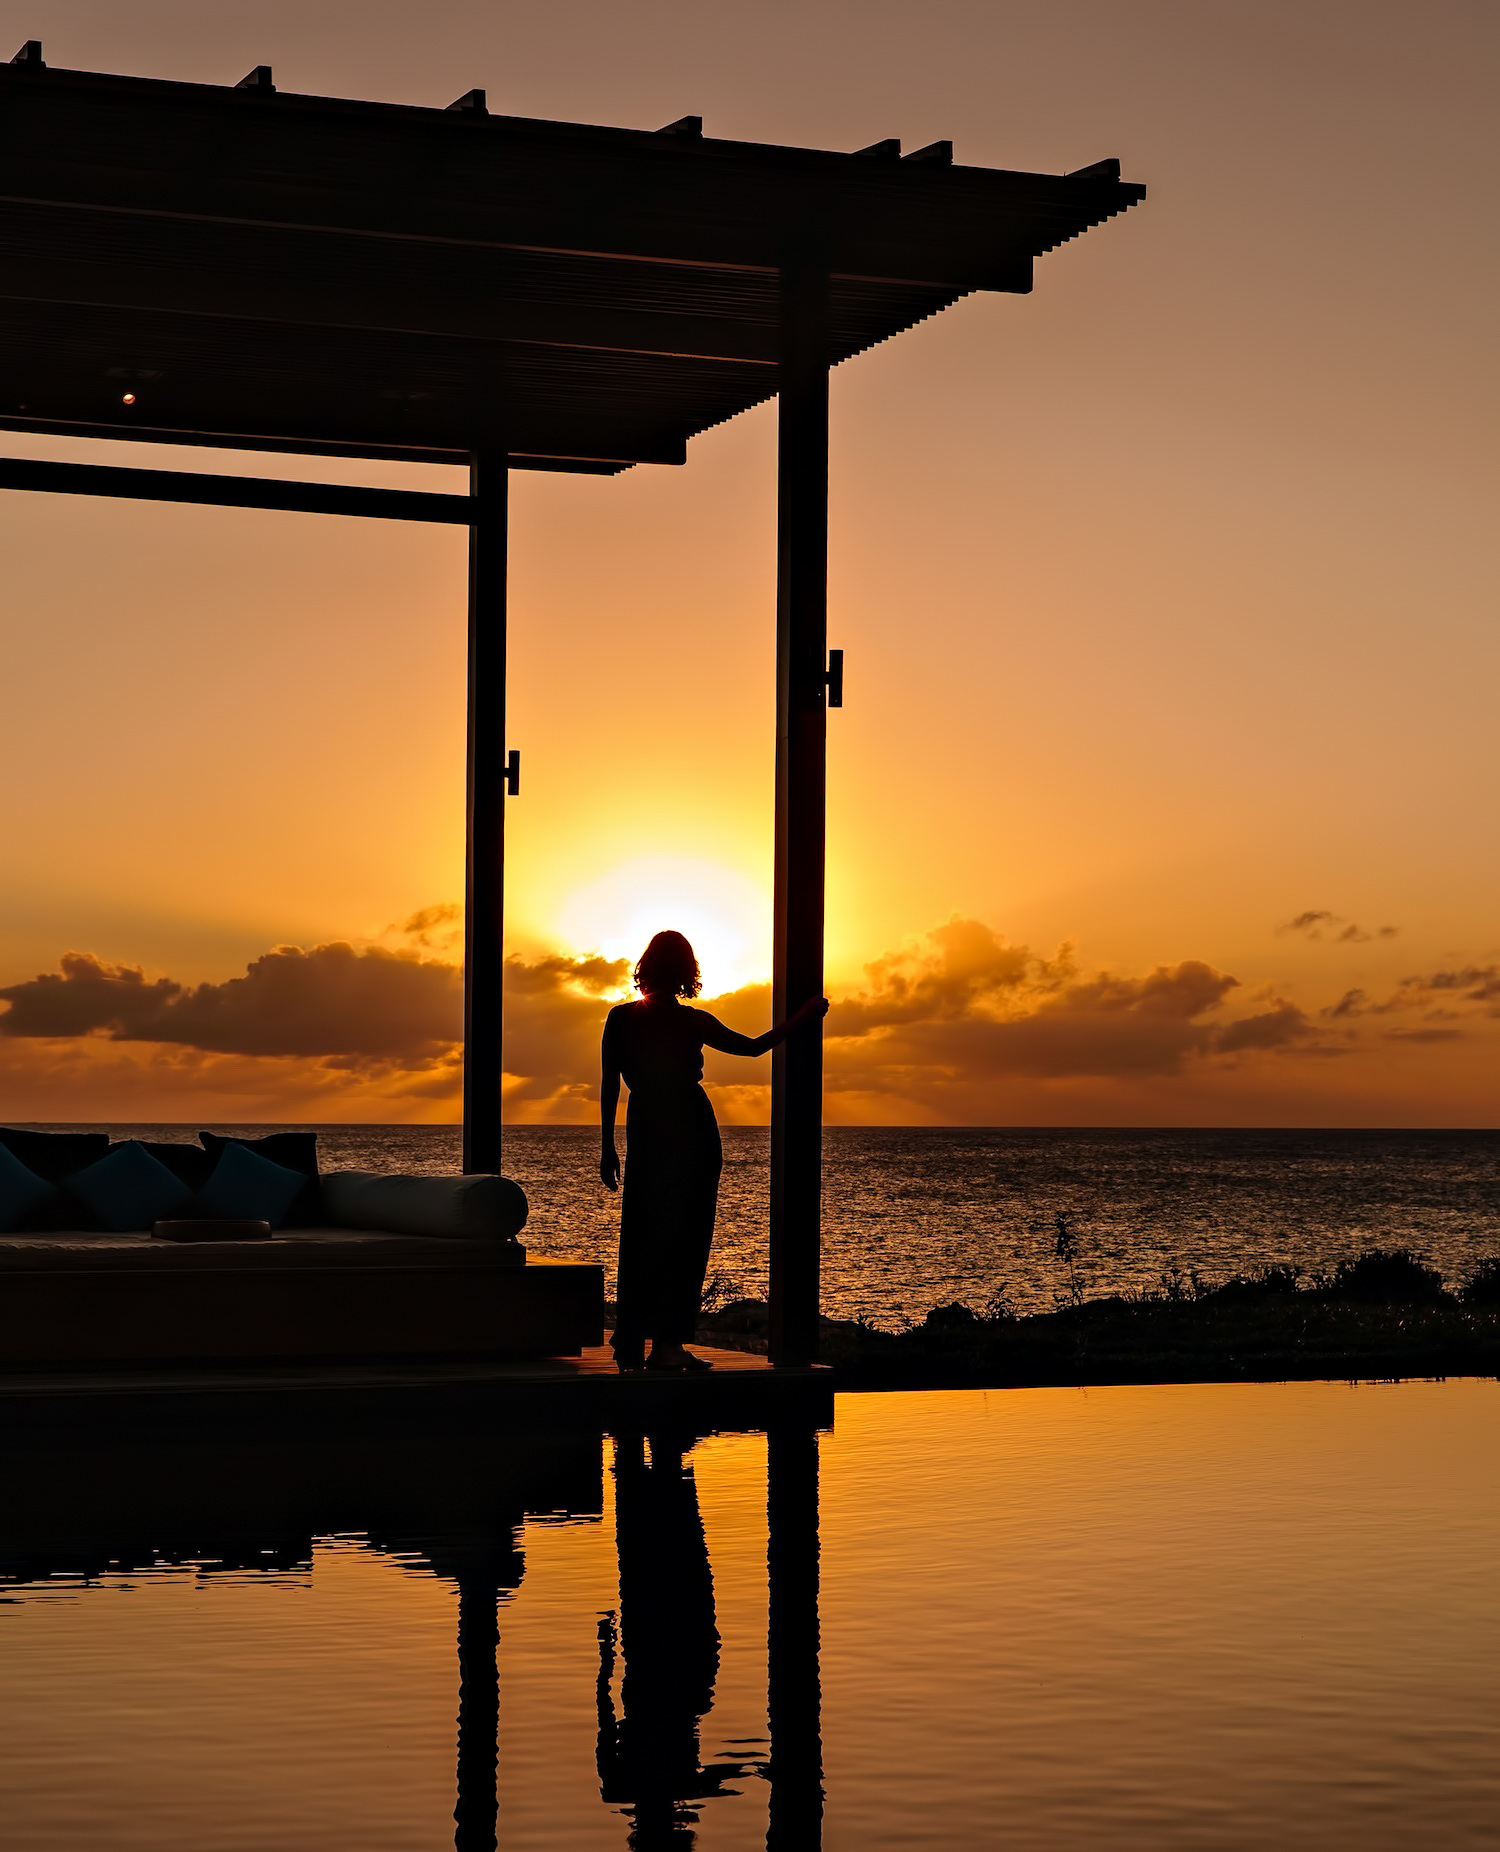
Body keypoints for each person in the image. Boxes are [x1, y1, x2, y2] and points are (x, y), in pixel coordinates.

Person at [600, 930, 827, 1373]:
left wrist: (608, 1145)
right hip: (688, 1125)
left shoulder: (623, 1017)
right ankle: (663, 1343)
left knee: (645, 1232)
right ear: (686, 972)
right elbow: (754, 1047)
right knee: (684, 1234)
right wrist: (803, 1017)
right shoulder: (691, 1021)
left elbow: (611, 1083)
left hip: (651, 1124)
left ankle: (640, 1341)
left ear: (646, 967)